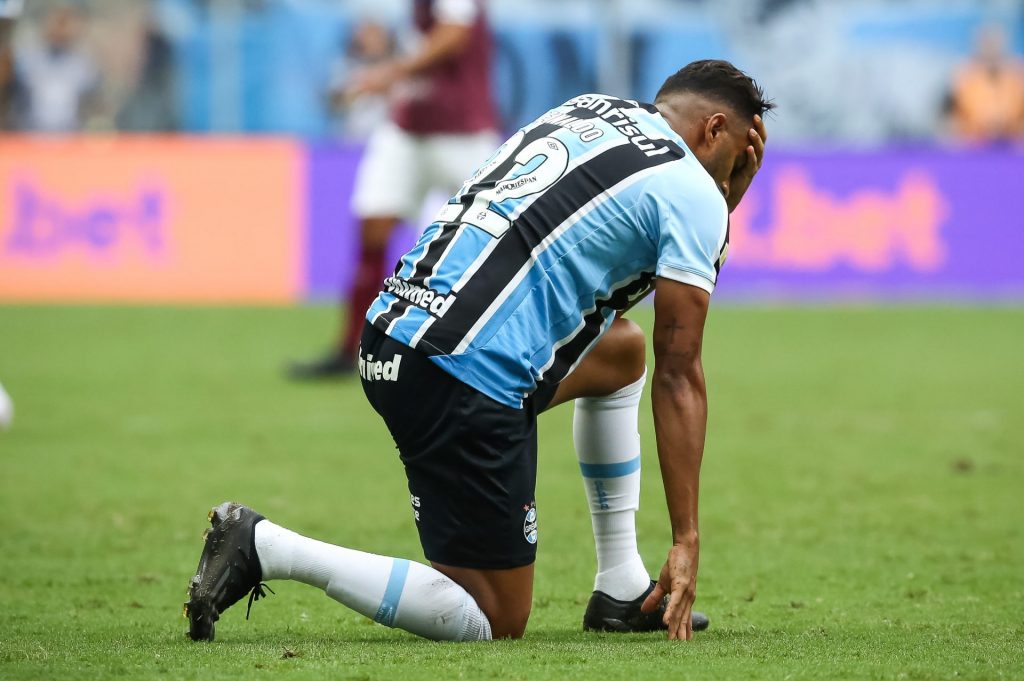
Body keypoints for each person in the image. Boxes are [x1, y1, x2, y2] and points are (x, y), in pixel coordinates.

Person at [186, 59, 772, 642]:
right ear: (714, 129)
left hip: (394, 333)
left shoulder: (590, 110)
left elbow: (610, 304)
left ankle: (621, 587)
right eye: (738, 159)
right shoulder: (693, 191)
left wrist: (721, 197)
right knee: (493, 616)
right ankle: (268, 547)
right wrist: (687, 538)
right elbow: (680, 373)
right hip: (461, 373)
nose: (732, 176)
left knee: (622, 352)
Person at [289, 0, 500, 378]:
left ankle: (501, 350)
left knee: (495, 244)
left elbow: (453, 36)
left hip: (463, 133)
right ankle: (353, 348)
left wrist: (391, 72)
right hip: (409, 129)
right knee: (372, 227)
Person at [946, 24, 1024, 144]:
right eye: (987, 43)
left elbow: (1019, 111)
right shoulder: (965, 75)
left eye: (994, 43)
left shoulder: (1017, 75)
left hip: (1012, 141)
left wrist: (1005, 125)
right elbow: (957, 112)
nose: (991, 48)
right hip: (973, 141)